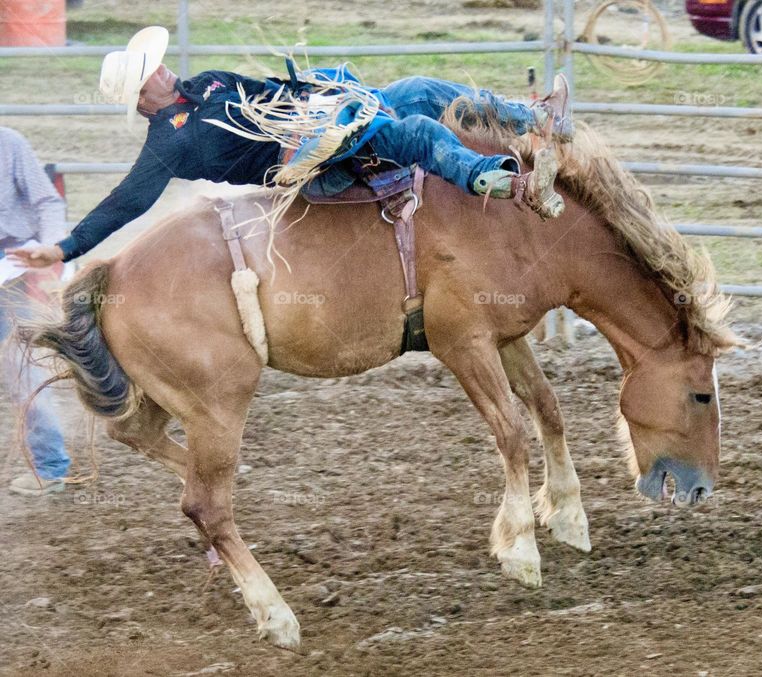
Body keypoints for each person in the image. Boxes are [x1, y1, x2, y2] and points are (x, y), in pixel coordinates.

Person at [7, 26, 574, 269]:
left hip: (324, 116)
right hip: (305, 161)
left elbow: (271, 92)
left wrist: (322, 91)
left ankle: (536, 117)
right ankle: (508, 183)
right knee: (418, 135)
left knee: (420, 91)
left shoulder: (206, 81)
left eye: (153, 62)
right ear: (142, 97)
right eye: (148, 71)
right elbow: (124, 202)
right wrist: (63, 249)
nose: (160, 68)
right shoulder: (166, 147)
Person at [0, 126, 71, 495]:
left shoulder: (9, 143)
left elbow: (48, 202)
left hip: (13, 262)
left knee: (20, 365)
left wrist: (49, 253)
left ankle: (49, 465)